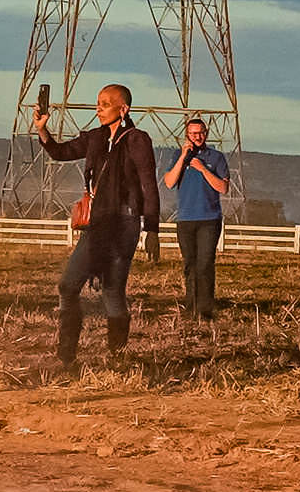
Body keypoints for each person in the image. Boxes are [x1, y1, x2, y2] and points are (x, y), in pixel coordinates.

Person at [33, 83, 161, 374]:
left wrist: (152, 229)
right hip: (97, 224)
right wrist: (42, 129)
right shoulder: (94, 138)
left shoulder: (137, 140)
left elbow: (148, 185)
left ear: (123, 109)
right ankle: (66, 357)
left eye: (105, 104)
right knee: (68, 285)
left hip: (124, 223)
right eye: (98, 103)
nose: (98, 109)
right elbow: (60, 152)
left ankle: (117, 359)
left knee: (113, 290)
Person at [164, 116, 231, 328]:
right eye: (193, 134)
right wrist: (183, 157)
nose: (197, 137)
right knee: (190, 265)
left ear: (206, 133)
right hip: (185, 219)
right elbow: (169, 182)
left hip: (209, 219)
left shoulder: (216, 157)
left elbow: (223, 188)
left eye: (200, 133)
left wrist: (202, 169)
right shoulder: (178, 156)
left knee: (205, 264)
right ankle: (190, 309)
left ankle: (205, 310)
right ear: (187, 135)